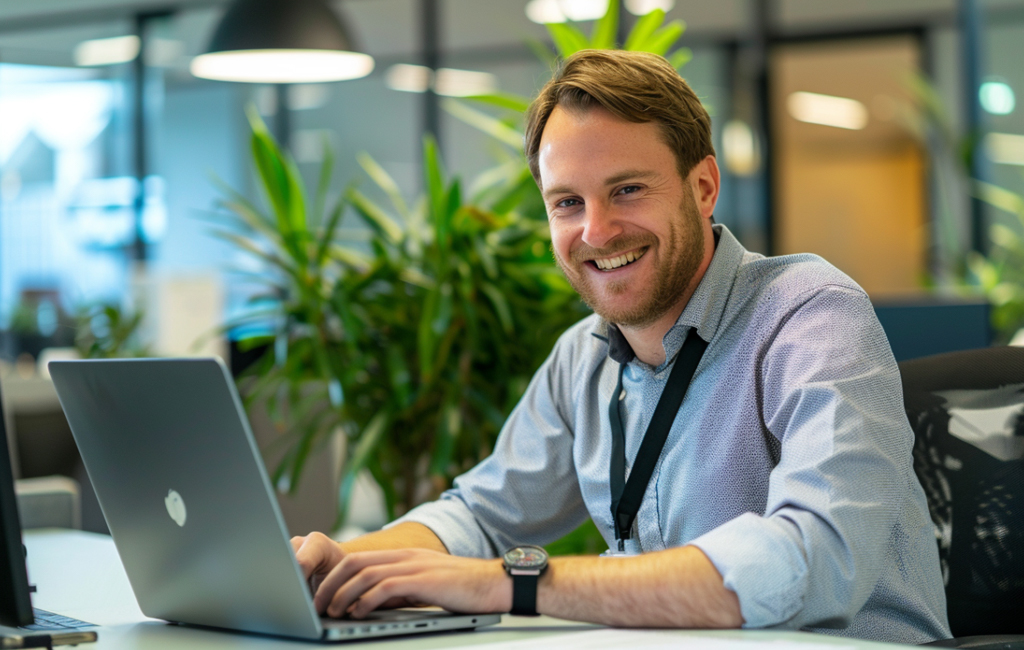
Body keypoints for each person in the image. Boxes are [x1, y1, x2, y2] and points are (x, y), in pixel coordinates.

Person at [291, 49, 951, 644]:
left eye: (627, 190)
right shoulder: (583, 358)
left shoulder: (808, 314)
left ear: (703, 187)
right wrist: (352, 564)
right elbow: (480, 514)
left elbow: (818, 558)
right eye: (567, 203)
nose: (597, 231)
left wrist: (515, 582)